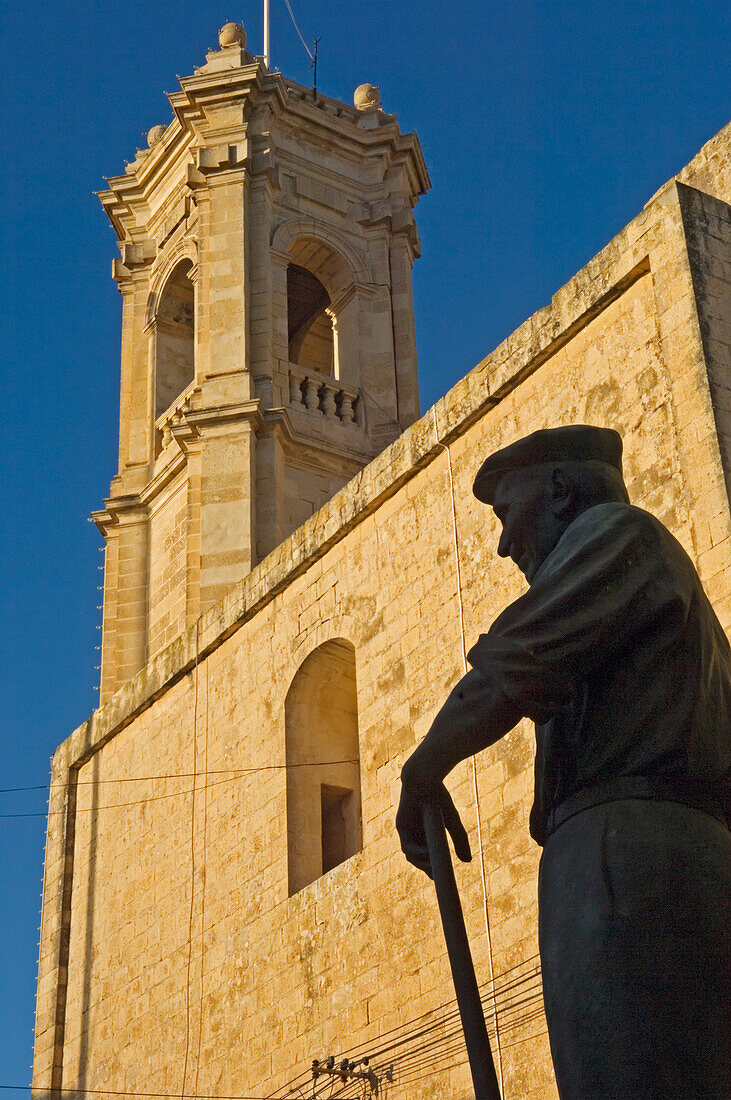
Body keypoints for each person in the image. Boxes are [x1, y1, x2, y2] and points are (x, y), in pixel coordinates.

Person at [396, 424, 731, 1099]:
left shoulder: (615, 534)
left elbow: (510, 667)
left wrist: (423, 767)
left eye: (505, 514)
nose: (501, 543)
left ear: (557, 491)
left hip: (622, 850)